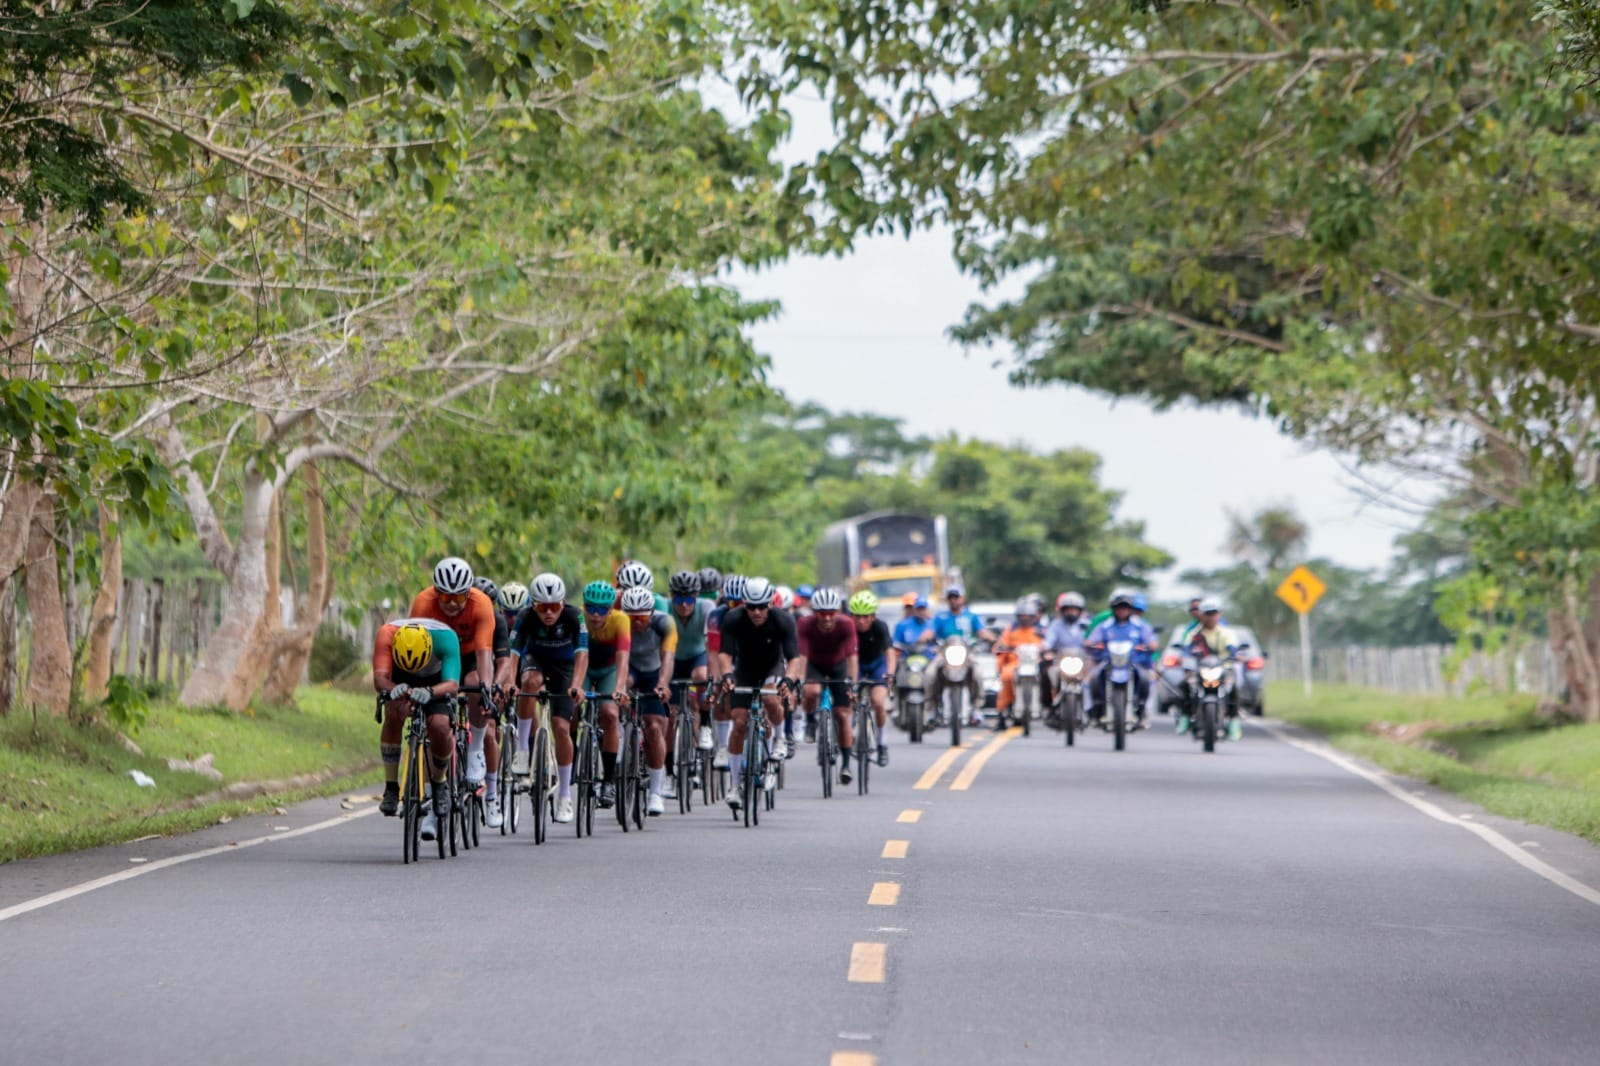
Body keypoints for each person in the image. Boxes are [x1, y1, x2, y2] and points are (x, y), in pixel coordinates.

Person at [411, 557, 504, 827]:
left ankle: (475, 750)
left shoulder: (481, 604)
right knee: (435, 728)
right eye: (445, 596)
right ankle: (431, 805)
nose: (452, 604)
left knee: (476, 682)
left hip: (470, 657)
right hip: (437, 658)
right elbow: (416, 647)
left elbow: (485, 654)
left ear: (469, 594)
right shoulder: (423, 602)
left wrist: (484, 692)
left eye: (459, 598)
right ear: (435, 591)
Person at [508, 573, 588, 823]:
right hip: (536, 661)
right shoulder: (524, 617)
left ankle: (565, 794)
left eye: (554, 607)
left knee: (562, 728)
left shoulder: (575, 617)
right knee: (528, 683)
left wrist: (576, 685)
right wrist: (511, 682)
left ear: (563, 604)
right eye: (543, 608)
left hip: (565, 667)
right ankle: (522, 748)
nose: (549, 613)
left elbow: (582, 653)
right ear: (534, 605)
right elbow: (513, 653)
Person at [372, 618, 461, 841]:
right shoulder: (387, 635)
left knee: (440, 725)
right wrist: (395, 689)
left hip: (436, 680)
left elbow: (452, 685)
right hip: (401, 677)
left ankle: (439, 782)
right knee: (393, 712)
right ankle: (392, 787)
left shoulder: (446, 639)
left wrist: (430, 693)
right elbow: (380, 679)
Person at [715, 576, 798, 811]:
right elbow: (724, 654)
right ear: (744, 605)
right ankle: (734, 785)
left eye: (762, 607)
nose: (757, 612)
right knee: (739, 722)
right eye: (751, 607)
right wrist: (727, 675)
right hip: (745, 670)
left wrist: (789, 681)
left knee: (771, 698)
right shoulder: (733, 618)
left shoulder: (783, 620)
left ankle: (780, 738)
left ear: (770, 604)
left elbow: (794, 658)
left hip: (773, 666)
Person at [620, 585, 677, 815]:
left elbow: (668, 657)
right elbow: (618, 660)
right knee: (621, 694)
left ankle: (655, 791)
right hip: (630, 669)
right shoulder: (619, 623)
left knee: (654, 726)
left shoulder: (665, 623)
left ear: (651, 614)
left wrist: (662, 684)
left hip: (654, 671)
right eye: (630, 617)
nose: (635, 623)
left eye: (641, 617)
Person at [797, 587, 860, 784]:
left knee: (842, 715)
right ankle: (810, 721)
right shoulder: (805, 624)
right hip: (814, 665)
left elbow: (852, 657)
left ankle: (846, 764)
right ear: (815, 613)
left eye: (831, 613)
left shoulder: (847, 624)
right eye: (822, 613)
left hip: (838, 665)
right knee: (811, 690)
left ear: (838, 612)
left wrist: (852, 683)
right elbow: (802, 657)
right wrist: (799, 680)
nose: (826, 618)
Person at [581, 580, 631, 809]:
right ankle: (572, 760)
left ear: (611, 609)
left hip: (609, 669)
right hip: (585, 667)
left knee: (610, 713)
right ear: (584, 607)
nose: (595, 615)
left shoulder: (621, 620)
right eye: (591, 608)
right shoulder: (579, 621)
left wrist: (619, 688)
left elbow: (623, 658)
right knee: (569, 707)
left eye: (602, 610)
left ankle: (608, 779)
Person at [1176, 599, 1248, 741]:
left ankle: (1234, 720)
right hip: (1200, 670)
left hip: (1223, 668)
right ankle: (1185, 716)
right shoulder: (1195, 634)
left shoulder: (1226, 633)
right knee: (1184, 684)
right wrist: (1183, 657)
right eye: (1207, 614)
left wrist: (1237, 656)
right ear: (1201, 615)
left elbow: (1232, 648)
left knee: (1234, 687)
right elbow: (1186, 650)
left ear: (1219, 614)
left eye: (1213, 613)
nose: (1210, 617)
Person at [1084, 591, 1159, 729]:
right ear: (1113, 609)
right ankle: (1095, 710)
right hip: (1109, 663)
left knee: (1147, 679)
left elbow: (1152, 642)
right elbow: (1091, 640)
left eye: (1125, 608)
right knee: (1092, 677)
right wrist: (1091, 643)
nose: (1122, 611)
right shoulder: (1106, 625)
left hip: (1134, 663)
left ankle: (1142, 710)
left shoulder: (1140, 625)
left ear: (1130, 610)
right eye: (1119, 608)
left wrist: (1149, 646)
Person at [668, 570, 715, 755]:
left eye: (689, 599)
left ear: (697, 596)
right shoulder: (666, 608)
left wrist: (710, 682)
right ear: (672, 597)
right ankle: (671, 767)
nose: (685, 605)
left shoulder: (707, 607)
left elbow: (710, 645)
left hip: (698, 656)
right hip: (673, 659)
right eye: (679, 600)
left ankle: (705, 726)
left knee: (701, 676)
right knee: (670, 714)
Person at [930, 585, 991, 724]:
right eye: (950, 598)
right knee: (930, 674)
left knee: (978, 674)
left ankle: (976, 709)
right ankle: (932, 708)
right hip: (944, 652)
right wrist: (925, 638)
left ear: (962, 598)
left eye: (956, 597)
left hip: (966, 652)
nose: (953, 601)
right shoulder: (940, 617)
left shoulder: (972, 616)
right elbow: (931, 632)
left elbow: (982, 631)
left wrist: (991, 638)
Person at [849, 590, 896, 766]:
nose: (861, 621)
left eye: (865, 616)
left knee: (877, 701)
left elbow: (889, 652)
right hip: (856, 664)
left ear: (873, 616)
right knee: (848, 697)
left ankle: (882, 744)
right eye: (857, 616)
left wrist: (890, 673)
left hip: (877, 664)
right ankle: (850, 730)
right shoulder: (848, 628)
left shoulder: (880, 627)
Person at [994, 597, 1047, 730]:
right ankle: (1002, 711)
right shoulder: (1011, 630)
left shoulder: (1041, 631)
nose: (1025, 619)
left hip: (1036, 663)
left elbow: (1048, 645)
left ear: (1035, 617)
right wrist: (1002, 648)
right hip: (1016, 662)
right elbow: (1001, 644)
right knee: (1006, 676)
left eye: (1029, 617)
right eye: (1022, 616)